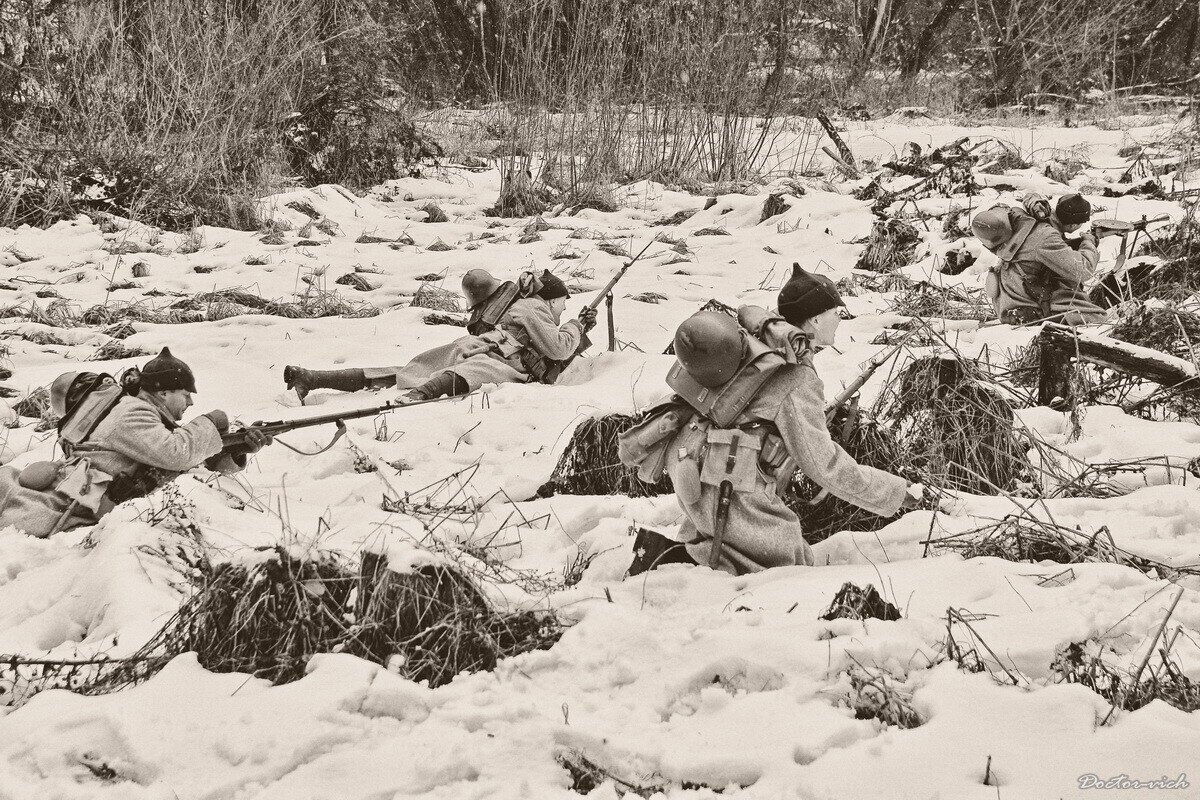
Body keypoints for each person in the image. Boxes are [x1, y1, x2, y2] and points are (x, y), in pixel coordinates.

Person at [619, 265, 923, 576]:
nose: (841, 319)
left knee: (725, 554)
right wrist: (897, 493)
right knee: (788, 572)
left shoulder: (756, 346)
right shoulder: (796, 377)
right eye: (836, 312)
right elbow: (823, 465)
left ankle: (679, 566)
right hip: (731, 487)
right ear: (815, 319)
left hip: (696, 469)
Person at [0, 348, 271, 538]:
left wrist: (237, 450)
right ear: (164, 392)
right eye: (186, 394)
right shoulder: (131, 413)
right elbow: (177, 453)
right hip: (59, 508)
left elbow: (183, 460)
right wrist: (211, 421)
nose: (191, 402)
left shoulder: (149, 417)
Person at [283, 269, 598, 404]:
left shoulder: (517, 308)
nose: (563, 308)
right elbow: (557, 349)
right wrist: (575, 326)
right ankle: (421, 395)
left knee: (409, 370)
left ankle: (313, 378)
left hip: (476, 345)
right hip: (498, 357)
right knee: (470, 373)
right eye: (563, 303)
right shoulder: (535, 308)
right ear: (552, 299)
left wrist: (582, 329)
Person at [974, 192, 1105, 326]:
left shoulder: (1022, 220)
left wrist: (1034, 201)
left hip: (1009, 301)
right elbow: (1083, 270)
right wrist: (1088, 243)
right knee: (1098, 321)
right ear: (1074, 225)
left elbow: (1041, 249)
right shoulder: (1045, 236)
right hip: (1027, 309)